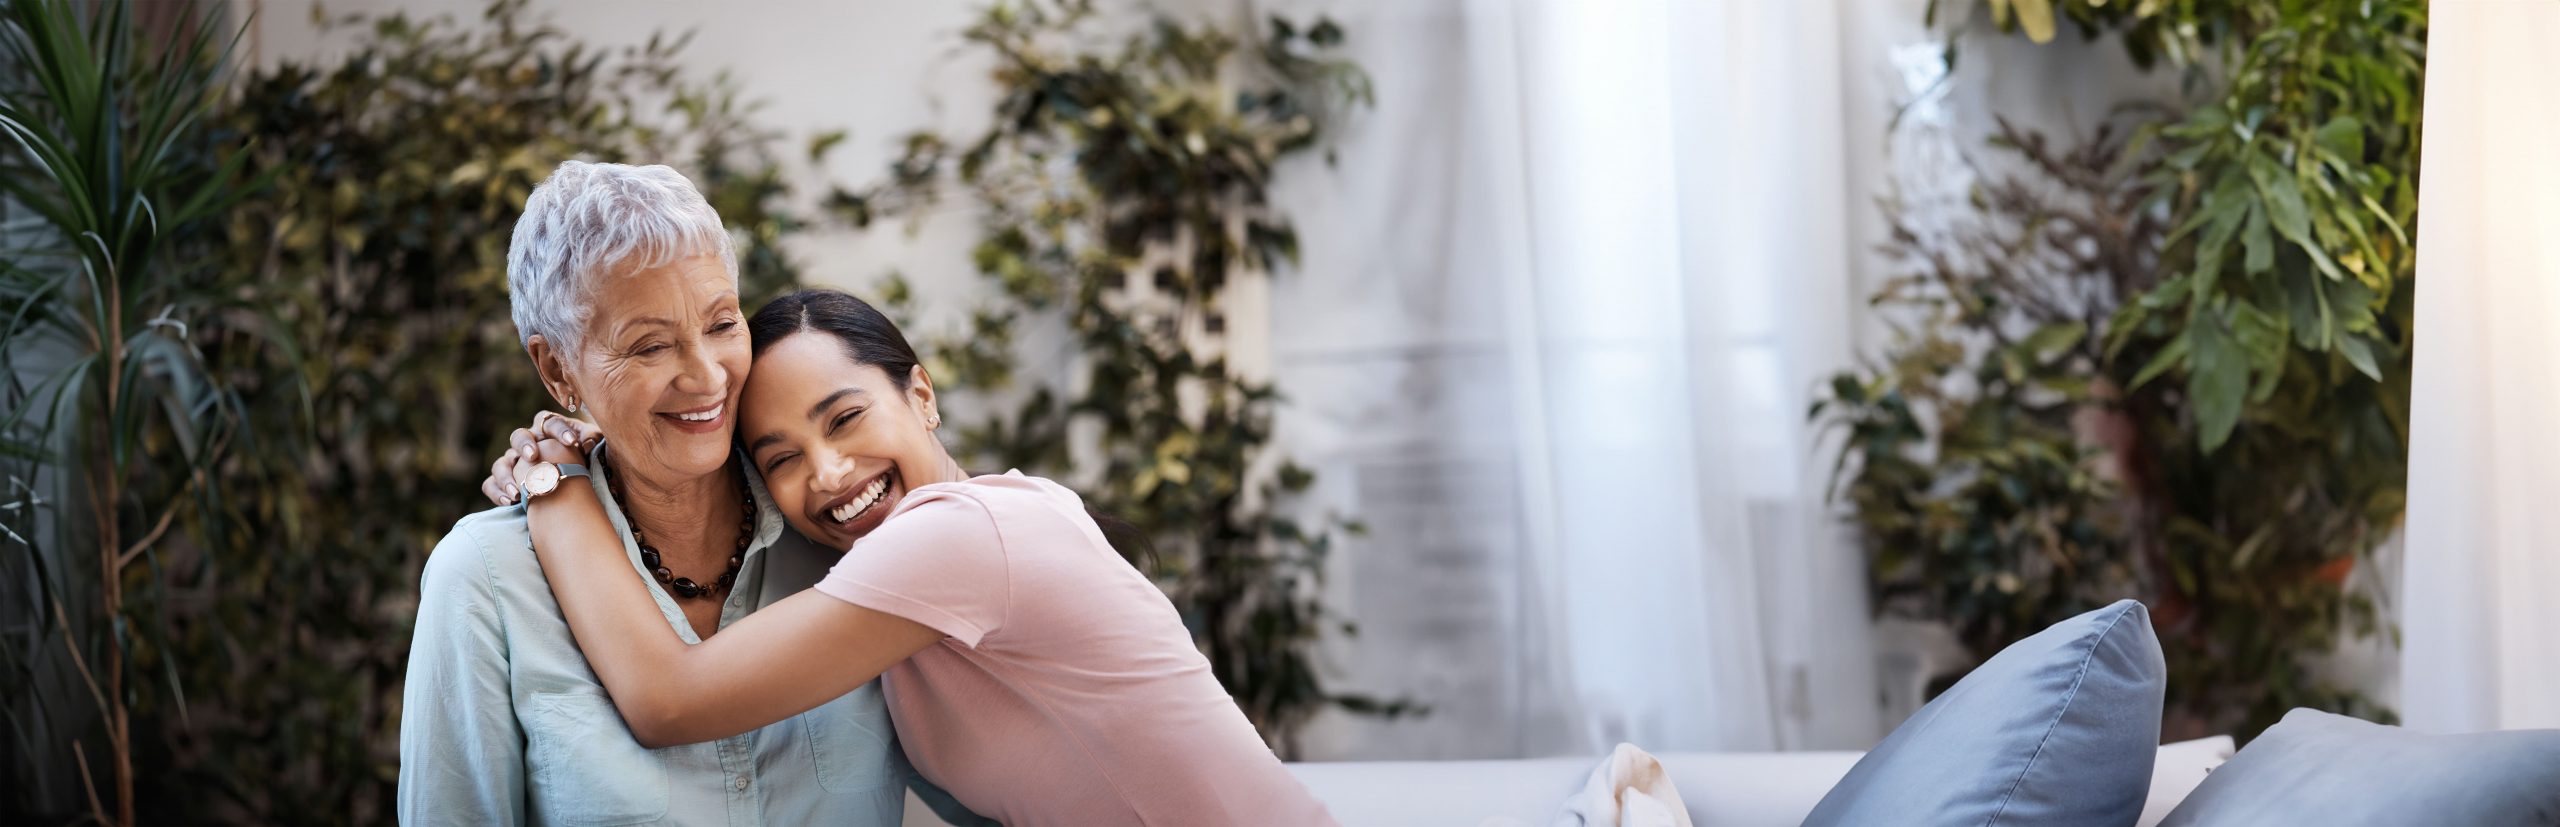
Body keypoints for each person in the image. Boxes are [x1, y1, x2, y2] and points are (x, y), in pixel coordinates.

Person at [499, 288, 1337, 826]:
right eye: (782, 458)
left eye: (844, 418)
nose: (829, 473)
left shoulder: (961, 536)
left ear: (921, 394)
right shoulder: (886, 595)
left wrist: (557, 481)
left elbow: (668, 700)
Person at [401, 162, 962, 826]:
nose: (706, 377)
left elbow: (1005, 784)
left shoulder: (838, 526)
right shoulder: (486, 580)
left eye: (722, 325)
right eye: (649, 347)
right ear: (557, 369)